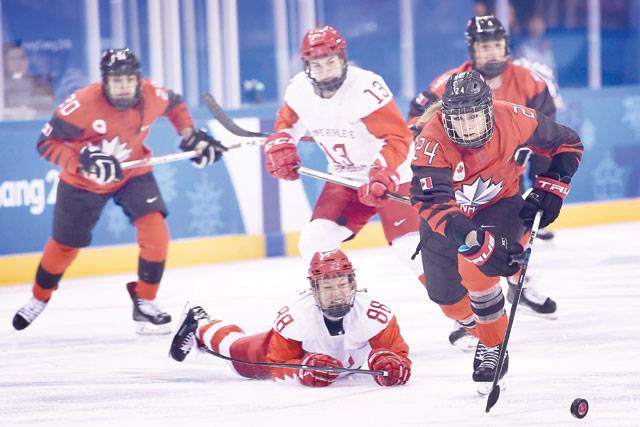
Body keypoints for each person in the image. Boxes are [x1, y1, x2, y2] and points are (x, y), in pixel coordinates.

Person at [12, 48, 227, 334]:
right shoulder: (81, 104)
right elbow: (46, 144)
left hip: (132, 173)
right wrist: (82, 162)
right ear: (104, 82)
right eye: (117, 81)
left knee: (156, 231)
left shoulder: (152, 94)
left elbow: (174, 105)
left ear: (138, 79)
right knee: (65, 244)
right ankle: (38, 297)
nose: (125, 86)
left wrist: (190, 136)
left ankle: (145, 302)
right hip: (82, 183)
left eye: (129, 79)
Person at [410, 70, 583, 393]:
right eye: (459, 119)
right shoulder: (431, 141)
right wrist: (478, 244)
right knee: (446, 298)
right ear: (445, 116)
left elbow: (568, 143)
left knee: (475, 271)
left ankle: (492, 344)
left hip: (500, 205)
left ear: (489, 109)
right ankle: (487, 327)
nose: (468, 126)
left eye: (474, 116)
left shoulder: (512, 116)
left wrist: (552, 187)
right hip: (450, 218)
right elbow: (433, 205)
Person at [407, 15, 560, 325]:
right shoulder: (448, 84)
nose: (491, 52)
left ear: (505, 46)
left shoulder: (531, 81)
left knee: (509, 235)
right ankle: (468, 311)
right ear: (472, 49)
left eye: (496, 45)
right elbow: (415, 120)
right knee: (463, 244)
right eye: (484, 46)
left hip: (505, 180)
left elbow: (549, 138)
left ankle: (519, 284)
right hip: (460, 183)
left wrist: (543, 184)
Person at [263, 25, 425, 303]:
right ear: (307, 66)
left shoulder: (365, 88)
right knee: (314, 242)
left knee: (410, 250)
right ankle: (336, 307)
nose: (325, 70)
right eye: (317, 65)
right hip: (345, 180)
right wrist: (282, 146)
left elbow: (398, 137)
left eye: (331, 62)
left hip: (394, 176)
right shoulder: (299, 90)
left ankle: (466, 313)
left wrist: (381, 171)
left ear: (342, 59)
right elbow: (287, 126)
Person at [169, 249, 411, 387]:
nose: (336, 295)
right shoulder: (297, 318)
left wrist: (394, 363)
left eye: (341, 285)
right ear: (314, 290)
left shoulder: (374, 315)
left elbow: (399, 355)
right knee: (235, 349)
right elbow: (278, 364)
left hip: (334, 359)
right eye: (327, 288)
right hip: (296, 349)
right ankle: (200, 322)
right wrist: (302, 369)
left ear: (353, 284)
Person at [3, 43, 55, 120]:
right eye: (13, 58)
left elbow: (49, 106)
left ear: (28, 60)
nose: (18, 62)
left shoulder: (41, 82)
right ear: (5, 62)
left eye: (22, 57)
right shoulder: (2, 85)